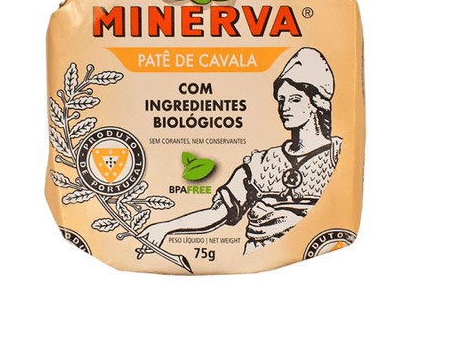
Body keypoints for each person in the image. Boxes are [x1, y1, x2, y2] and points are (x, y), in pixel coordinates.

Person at [138, 47, 342, 255]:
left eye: (295, 99)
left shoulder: (337, 155)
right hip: (256, 257)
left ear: (316, 103)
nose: (285, 108)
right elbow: (217, 213)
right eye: (281, 100)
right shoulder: (261, 163)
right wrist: (166, 227)